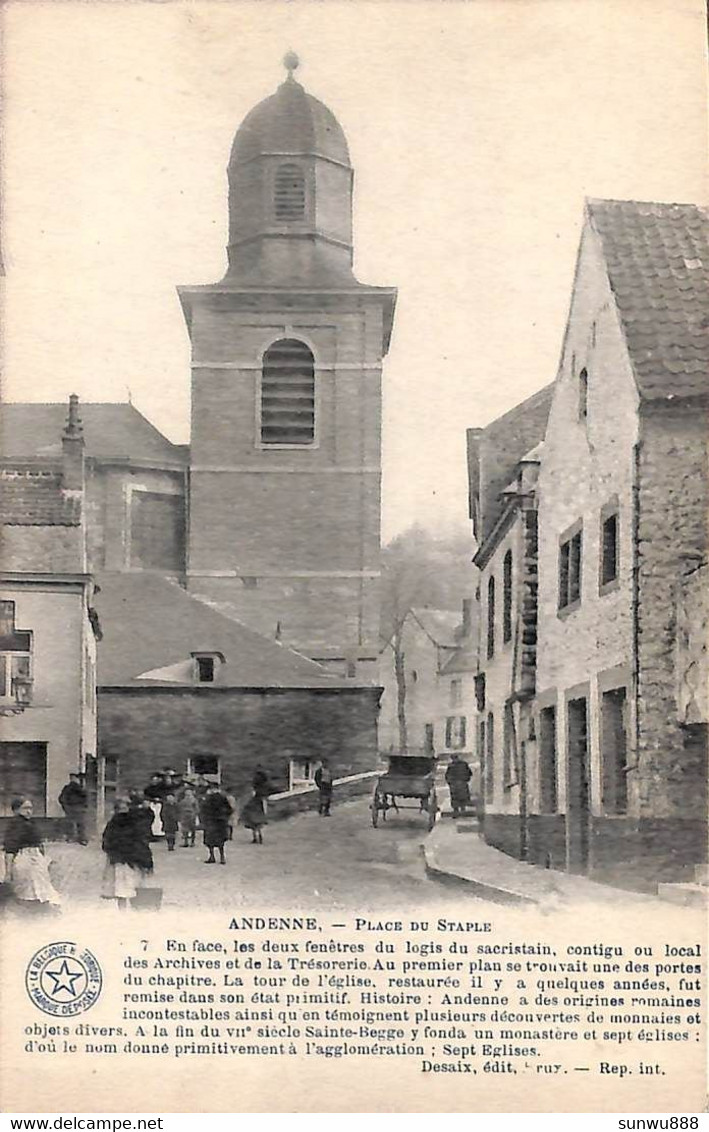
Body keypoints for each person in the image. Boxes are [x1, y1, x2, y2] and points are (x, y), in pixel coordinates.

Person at [3, 798, 61, 910]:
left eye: (30, 808)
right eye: (25, 808)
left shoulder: (28, 823)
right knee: (31, 888)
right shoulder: (16, 825)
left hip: (35, 858)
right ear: (16, 810)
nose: (29, 811)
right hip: (25, 859)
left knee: (40, 887)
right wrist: (8, 872)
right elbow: (10, 849)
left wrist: (44, 859)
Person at [101, 798, 154, 908]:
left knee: (121, 888)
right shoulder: (134, 822)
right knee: (136, 886)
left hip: (120, 860)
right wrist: (147, 861)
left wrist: (112, 854)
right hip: (133, 860)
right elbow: (141, 841)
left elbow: (106, 843)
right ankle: (137, 910)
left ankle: (123, 912)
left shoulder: (112, 824)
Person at [200, 786, 232, 865]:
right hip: (220, 822)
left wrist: (204, 819)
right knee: (220, 841)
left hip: (210, 821)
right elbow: (230, 809)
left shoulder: (208, 799)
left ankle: (212, 857)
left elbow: (203, 809)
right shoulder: (223, 798)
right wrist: (225, 817)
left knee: (209, 840)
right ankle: (222, 857)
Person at [58, 773, 88, 845]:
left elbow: (61, 799)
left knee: (74, 823)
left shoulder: (68, 788)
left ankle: (73, 838)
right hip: (76, 809)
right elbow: (61, 798)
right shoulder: (78, 789)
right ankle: (80, 839)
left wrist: (66, 807)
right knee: (79, 824)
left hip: (72, 809)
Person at [445, 752, 473, 818]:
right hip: (462, 783)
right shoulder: (464, 764)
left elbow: (447, 775)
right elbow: (470, 773)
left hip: (454, 784)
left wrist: (450, 782)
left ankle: (456, 812)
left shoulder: (451, 766)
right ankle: (462, 811)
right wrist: (466, 779)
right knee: (463, 798)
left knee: (455, 798)